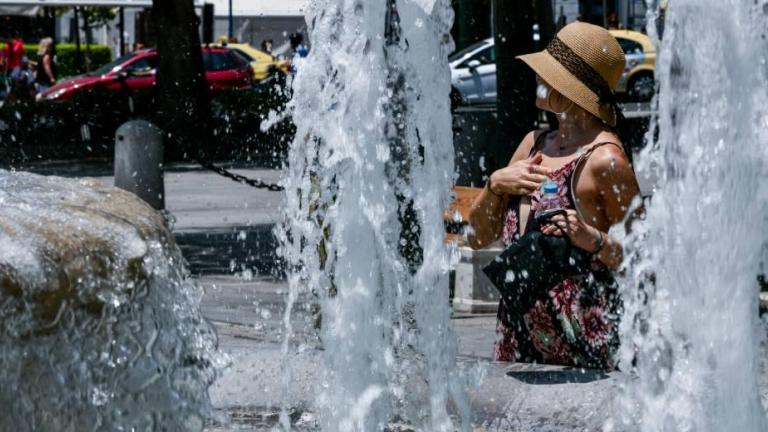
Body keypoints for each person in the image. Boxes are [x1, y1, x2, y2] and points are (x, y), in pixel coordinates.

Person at [468, 22, 640, 370]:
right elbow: (476, 237)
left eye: (548, 73)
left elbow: (642, 256)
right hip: (518, 338)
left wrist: (590, 239)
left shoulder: (605, 160)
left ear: (569, 89)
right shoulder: (534, 144)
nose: (538, 78)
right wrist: (495, 185)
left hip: (579, 346)